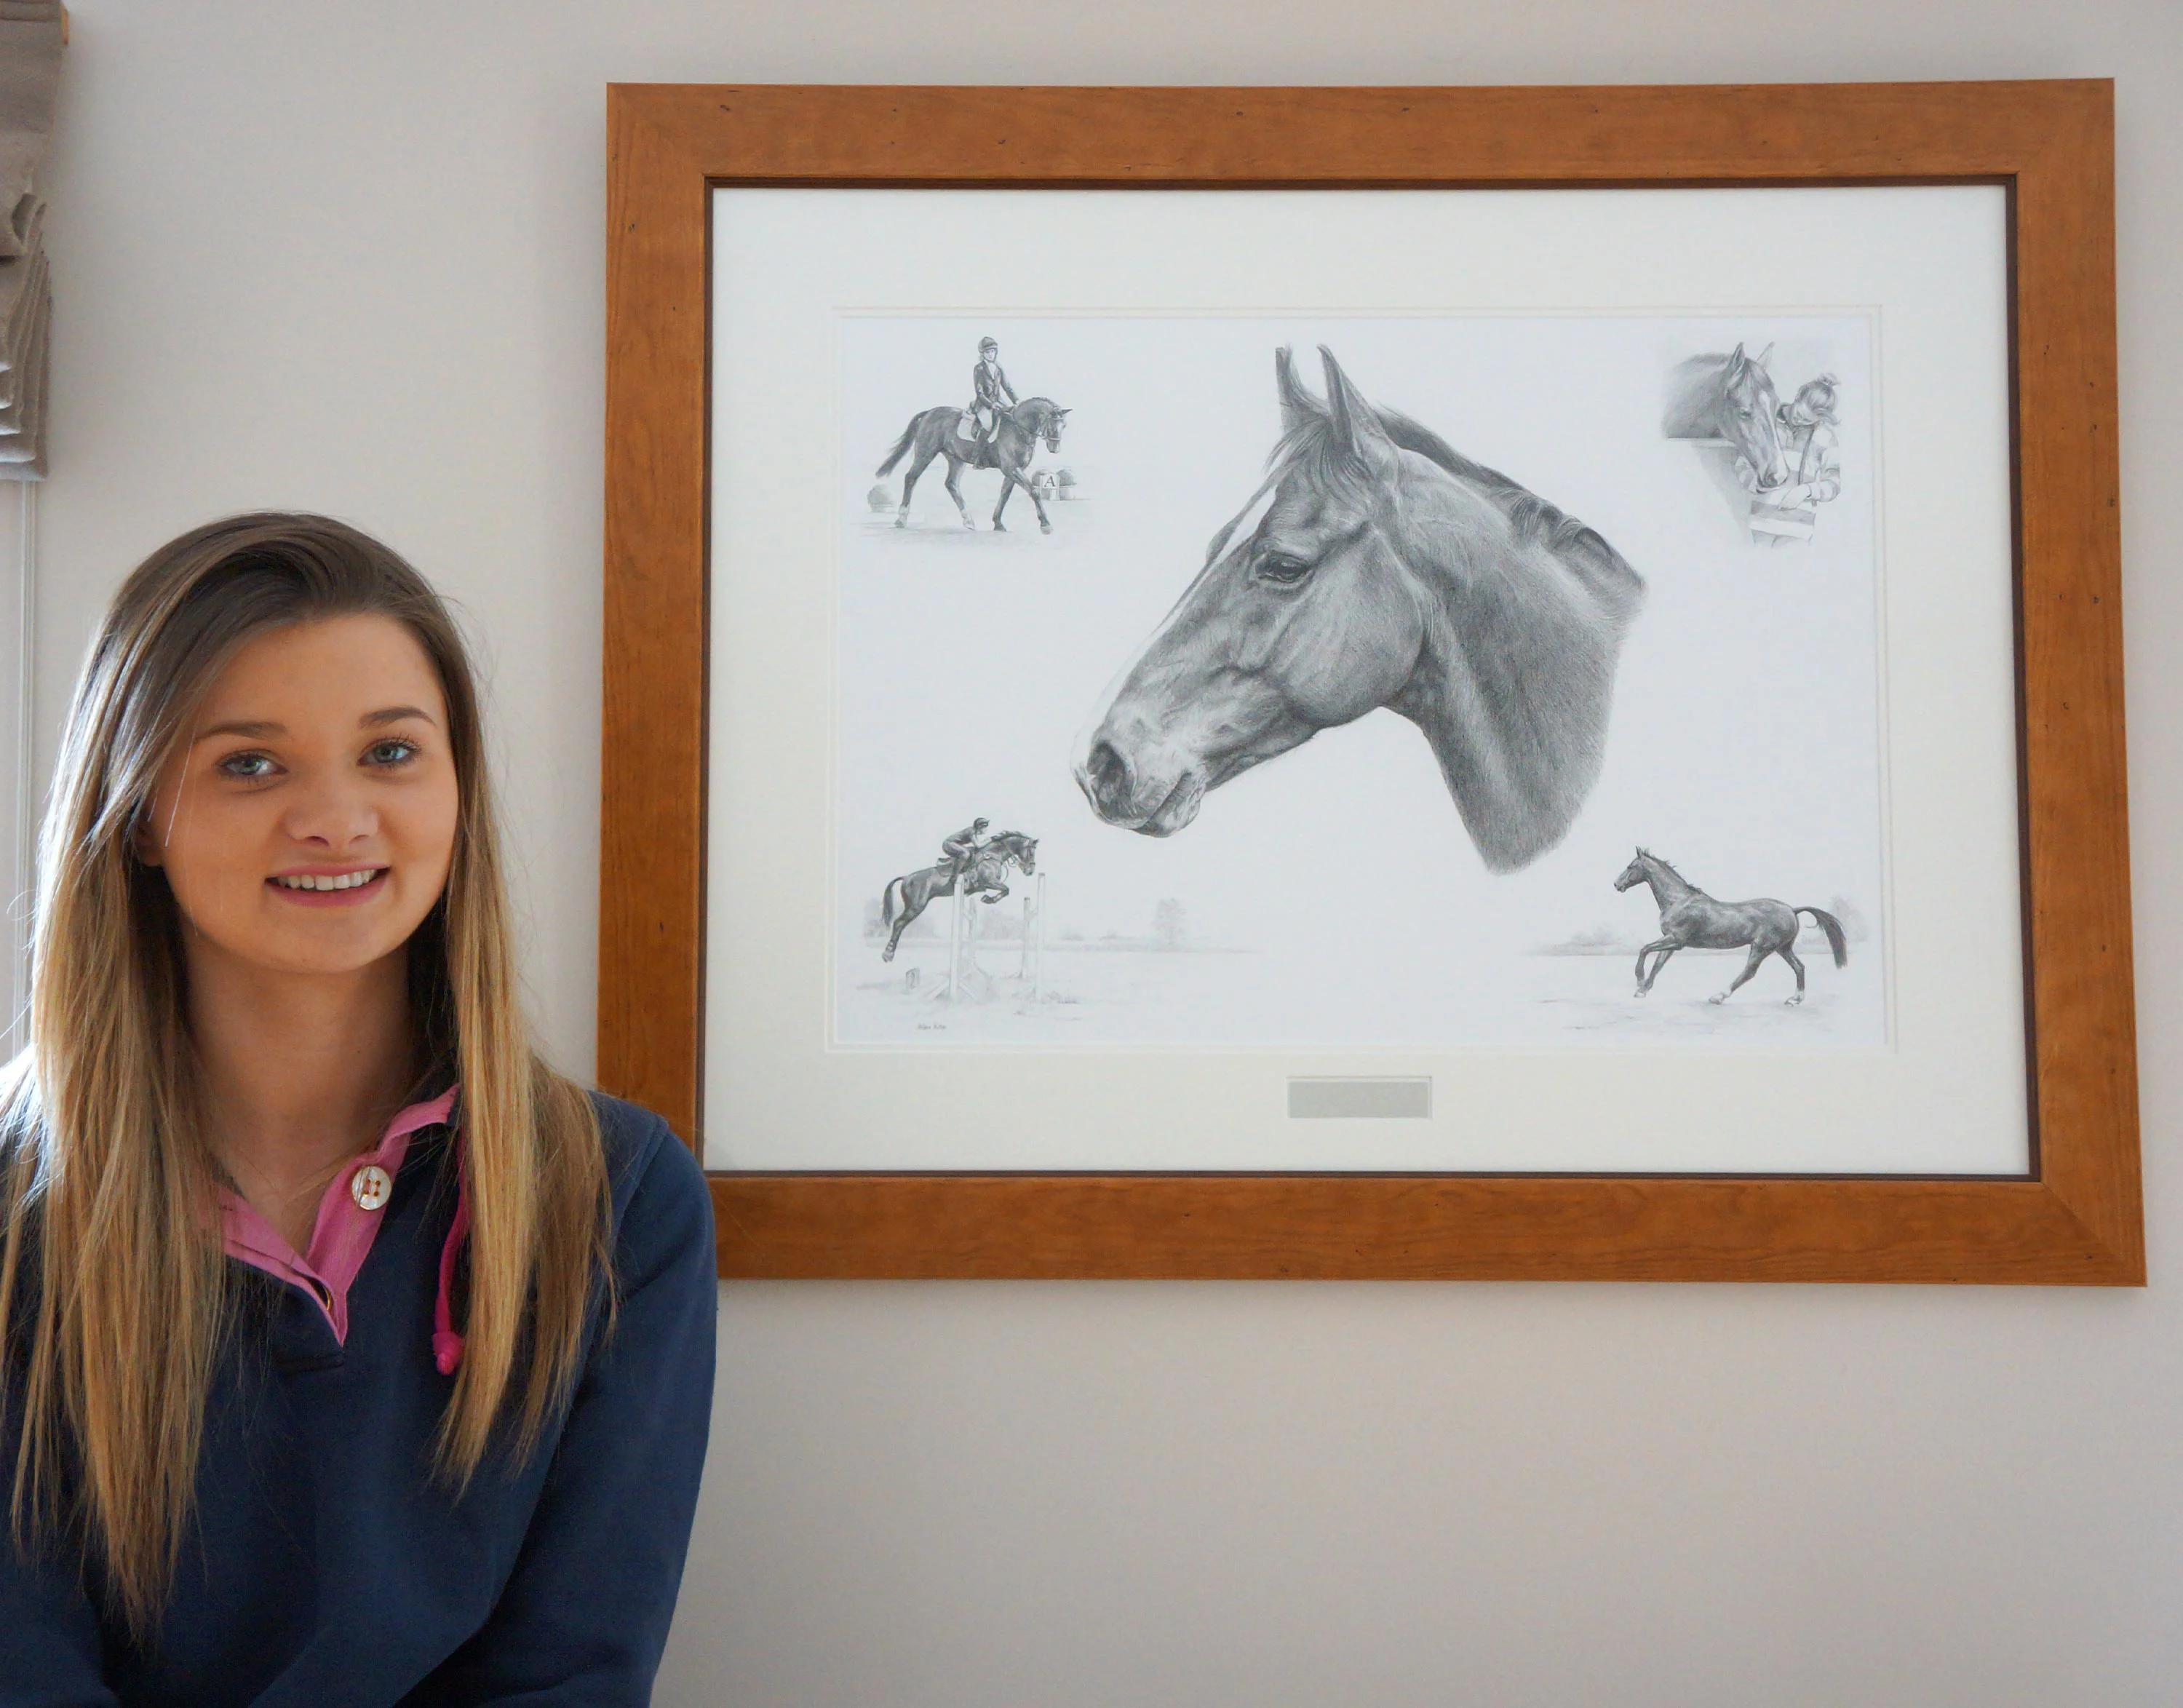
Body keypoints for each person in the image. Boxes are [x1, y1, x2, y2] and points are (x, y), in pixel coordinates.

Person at [0, 515, 717, 1700]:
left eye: (390, 753)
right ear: (132, 816)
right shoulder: (17, 1212)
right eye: (250, 762)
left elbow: (570, 1675)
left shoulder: (618, 1198)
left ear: (457, 785)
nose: (336, 816)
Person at [1743, 373, 1843, 545]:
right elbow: (1743, 461)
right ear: (1797, 397)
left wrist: (1807, 490)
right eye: (1800, 414)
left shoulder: (1825, 436)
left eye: (1807, 421)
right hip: (1762, 521)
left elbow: (1834, 484)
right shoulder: (1768, 423)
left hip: (1799, 527)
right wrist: (1756, 484)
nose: (1800, 421)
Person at [966, 337, 1017, 461]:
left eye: (993, 351)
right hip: (984, 404)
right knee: (988, 426)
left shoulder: (998, 368)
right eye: (988, 352)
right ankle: (977, 458)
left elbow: (1007, 387)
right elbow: (980, 392)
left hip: (999, 403)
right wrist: (991, 405)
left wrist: (1016, 401)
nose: (991, 354)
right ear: (983, 354)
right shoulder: (979, 368)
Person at [941, 816, 991, 884]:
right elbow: (978, 845)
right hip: (948, 844)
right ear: (980, 827)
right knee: (966, 854)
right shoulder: (971, 831)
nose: (986, 829)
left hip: (953, 844)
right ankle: (954, 877)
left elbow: (978, 846)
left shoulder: (974, 832)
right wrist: (990, 840)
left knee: (971, 851)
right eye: (985, 827)